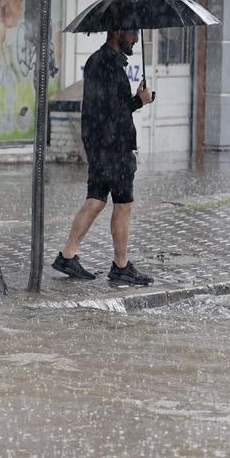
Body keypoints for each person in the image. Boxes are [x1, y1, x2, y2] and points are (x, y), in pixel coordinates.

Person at [52, 29, 155, 286]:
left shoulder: (99, 60)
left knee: (96, 200)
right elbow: (115, 111)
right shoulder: (108, 64)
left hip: (100, 145)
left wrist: (133, 100)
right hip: (113, 146)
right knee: (123, 204)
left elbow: (106, 106)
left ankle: (67, 255)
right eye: (132, 33)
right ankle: (121, 265)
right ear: (118, 31)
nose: (135, 39)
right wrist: (139, 101)